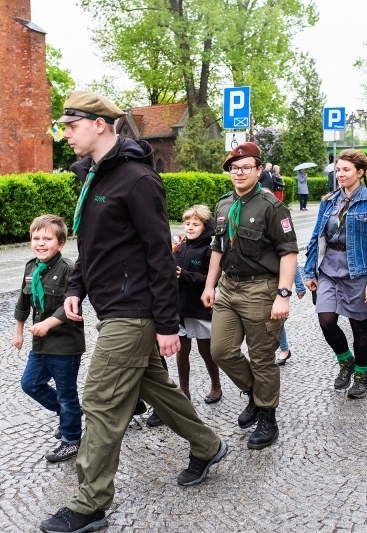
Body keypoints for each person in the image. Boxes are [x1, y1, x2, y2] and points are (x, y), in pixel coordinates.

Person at [40, 91, 227, 533]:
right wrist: (76, 287)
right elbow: (93, 245)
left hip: (133, 310)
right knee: (156, 388)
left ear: (99, 125)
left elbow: (160, 256)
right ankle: (207, 445)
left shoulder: (138, 179)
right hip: (112, 305)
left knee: (100, 400)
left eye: (71, 126)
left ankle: (90, 503)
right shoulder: (94, 174)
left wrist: (167, 323)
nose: (65, 135)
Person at [202, 141, 298, 449]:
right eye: (234, 168)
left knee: (261, 358)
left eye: (246, 167)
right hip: (229, 287)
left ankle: (268, 417)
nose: (239, 173)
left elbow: (288, 252)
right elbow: (217, 248)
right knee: (221, 351)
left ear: (258, 170)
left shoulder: (272, 206)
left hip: (261, 289)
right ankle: (256, 396)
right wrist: (209, 285)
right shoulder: (223, 205)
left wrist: (283, 294)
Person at [304, 149, 367, 399]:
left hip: (358, 271)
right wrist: (309, 271)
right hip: (329, 268)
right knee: (326, 320)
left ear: (360, 172)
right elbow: (316, 237)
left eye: (346, 170)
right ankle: (345, 361)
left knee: (358, 327)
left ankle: (362, 375)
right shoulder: (329, 201)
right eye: (338, 169)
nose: (340, 174)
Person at [13, 214, 85, 463]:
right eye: (36, 238)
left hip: (65, 344)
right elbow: (23, 302)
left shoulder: (68, 269)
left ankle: (72, 440)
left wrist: (47, 324)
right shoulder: (30, 268)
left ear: (61, 243)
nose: (40, 243)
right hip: (40, 343)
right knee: (30, 384)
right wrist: (19, 333)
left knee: (66, 393)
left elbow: (71, 307)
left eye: (47, 239)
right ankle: (69, 414)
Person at [174, 205, 222, 404]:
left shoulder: (209, 251)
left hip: (199, 308)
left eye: (195, 224)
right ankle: (184, 390)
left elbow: (211, 280)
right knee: (181, 350)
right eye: (187, 224)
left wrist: (185, 275)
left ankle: (216, 385)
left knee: (206, 350)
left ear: (205, 228)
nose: (190, 227)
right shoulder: (179, 247)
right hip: (180, 308)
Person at [276, 265, 306, 365]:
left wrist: (300, 286)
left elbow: (292, 263)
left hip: (277, 283)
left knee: (277, 317)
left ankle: (284, 349)